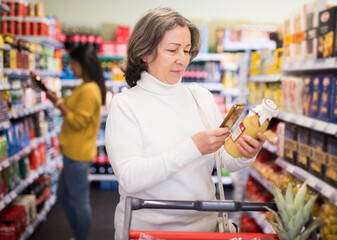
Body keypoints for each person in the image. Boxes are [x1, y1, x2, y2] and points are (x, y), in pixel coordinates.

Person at [105, 7, 265, 239]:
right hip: (148, 232)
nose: (182, 59)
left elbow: (225, 161)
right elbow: (130, 178)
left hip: (206, 228)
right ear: (145, 53)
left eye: (187, 50)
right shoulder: (125, 105)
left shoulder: (200, 97)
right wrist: (193, 146)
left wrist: (245, 152)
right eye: (172, 50)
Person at [45, 45, 106, 240]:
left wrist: (61, 105)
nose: (71, 67)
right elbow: (74, 111)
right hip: (74, 153)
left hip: (78, 155)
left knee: (79, 202)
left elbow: (78, 122)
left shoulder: (89, 90)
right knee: (65, 196)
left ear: (83, 64)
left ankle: (81, 237)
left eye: (73, 63)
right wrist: (58, 101)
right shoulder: (86, 86)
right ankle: (79, 234)